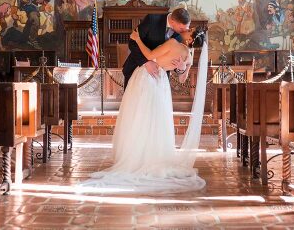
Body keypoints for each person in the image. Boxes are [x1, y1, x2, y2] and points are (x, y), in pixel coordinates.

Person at [80, 26, 208, 194]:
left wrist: (138, 38)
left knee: (139, 118)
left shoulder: (172, 43)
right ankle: (153, 156)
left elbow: (148, 56)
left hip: (147, 78)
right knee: (156, 121)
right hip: (161, 82)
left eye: (190, 30)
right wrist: (183, 67)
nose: (187, 29)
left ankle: (137, 158)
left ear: (191, 39)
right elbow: (182, 78)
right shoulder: (189, 56)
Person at [122, 7, 191, 88]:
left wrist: (180, 68)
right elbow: (133, 42)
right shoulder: (152, 20)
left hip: (160, 77)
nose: (184, 31)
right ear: (173, 21)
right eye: (181, 28)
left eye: (186, 28)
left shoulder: (180, 34)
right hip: (137, 69)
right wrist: (146, 62)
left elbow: (173, 59)